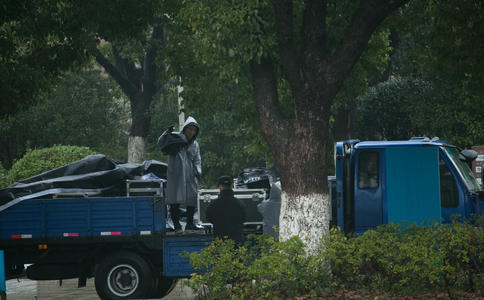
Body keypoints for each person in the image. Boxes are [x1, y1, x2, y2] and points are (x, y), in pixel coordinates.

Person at [158, 116, 202, 233]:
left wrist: (198, 171)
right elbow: (161, 142)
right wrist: (166, 133)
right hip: (176, 173)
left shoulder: (195, 144)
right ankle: (176, 225)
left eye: (194, 130)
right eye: (189, 129)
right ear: (185, 129)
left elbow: (197, 159)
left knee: (191, 197)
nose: (191, 132)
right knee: (174, 198)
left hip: (190, 173)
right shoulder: (175, 138)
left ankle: (190, 223)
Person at [206, 175, 246, 244]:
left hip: (220, 242)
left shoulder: (213, 204)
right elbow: (244, 219)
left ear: (219, 187)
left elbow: (208, 218)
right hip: (237, 242)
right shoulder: (240, 204)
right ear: (231, 186)